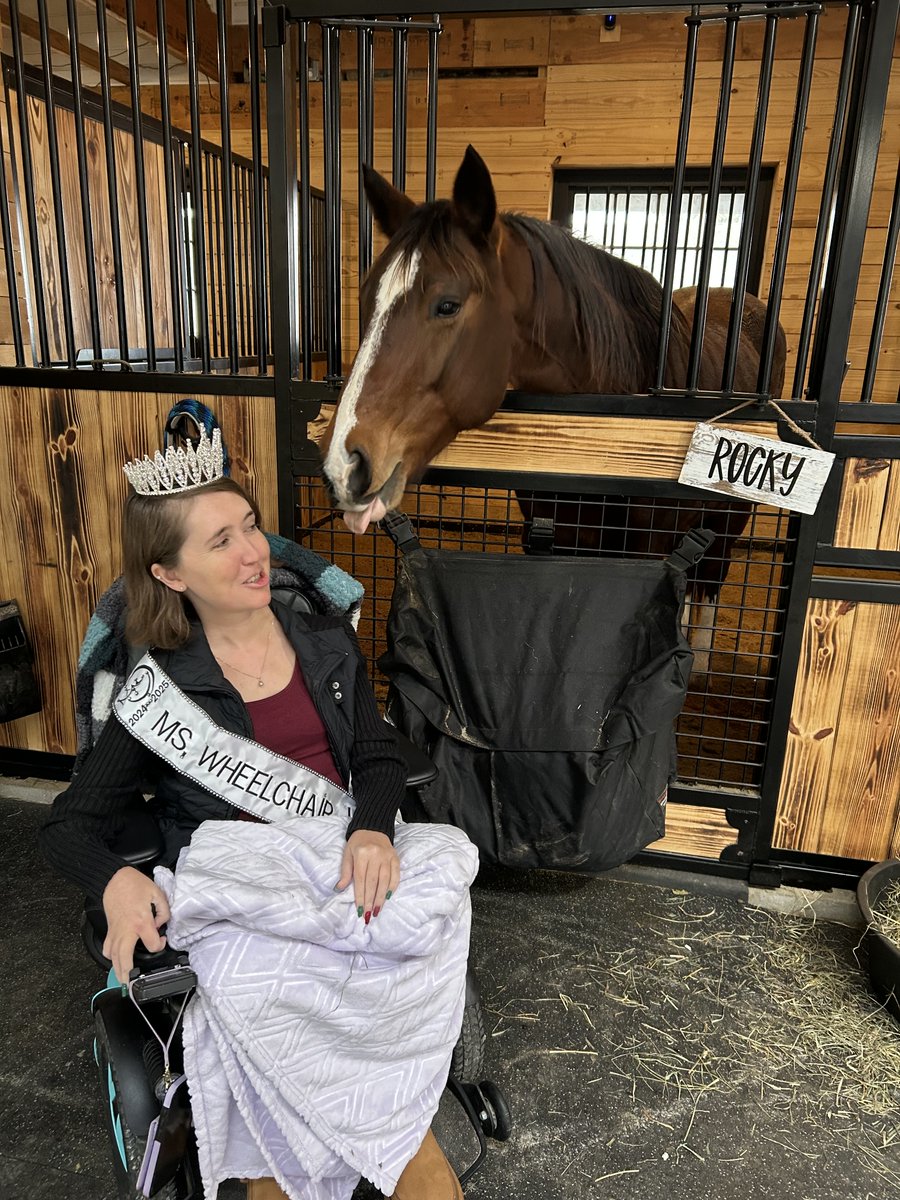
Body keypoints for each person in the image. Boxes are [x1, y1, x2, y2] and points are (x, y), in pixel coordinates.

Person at [40, 429, 471, 1200]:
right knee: (264, 1039)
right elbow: (68, 820)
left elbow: (377, 756)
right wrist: (112, 881)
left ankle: (389, 1107)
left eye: (248, 525)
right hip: (249, 892)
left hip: (338, 857)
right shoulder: (159, 691)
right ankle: (319, 1129)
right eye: (221, 541)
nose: (254, 551)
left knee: (433, 894)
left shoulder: (323, 637)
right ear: (169, 573)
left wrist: (372, 823)